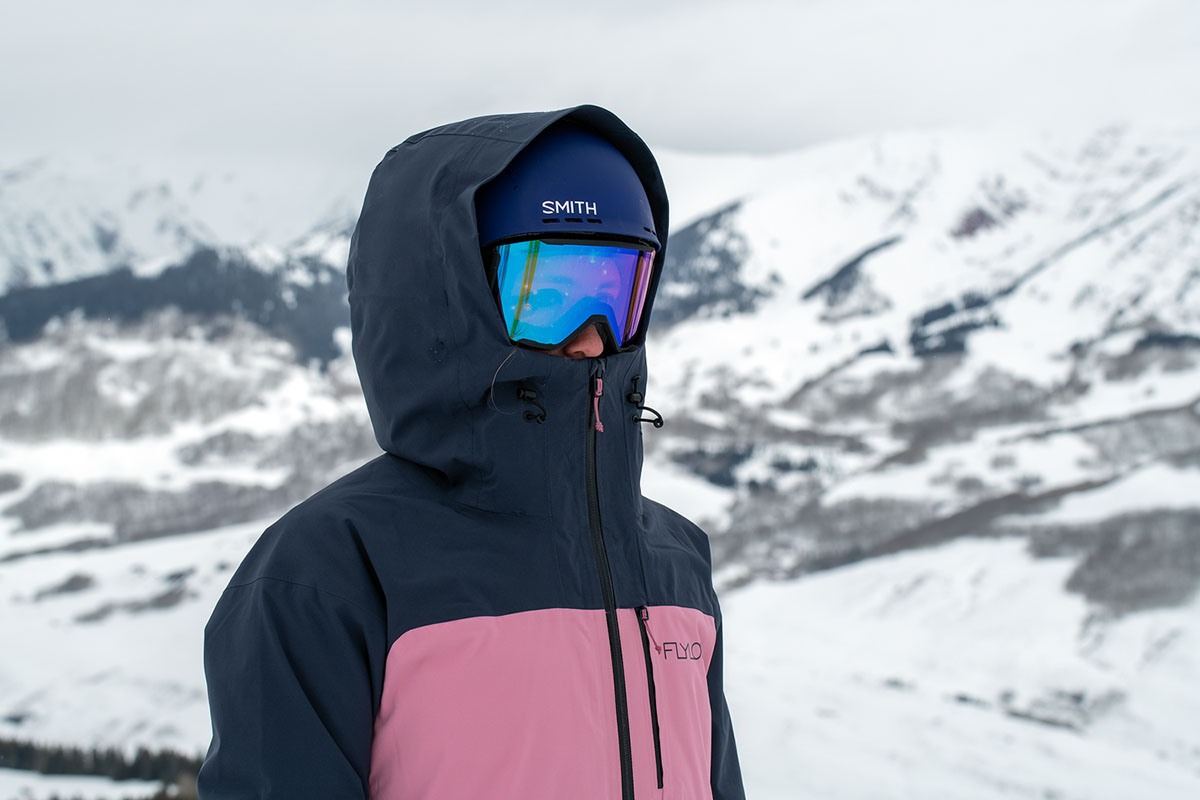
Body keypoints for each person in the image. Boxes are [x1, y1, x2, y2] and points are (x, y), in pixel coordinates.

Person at [197, 104, 745, 800]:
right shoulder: (329, 574)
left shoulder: (675, 564)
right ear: (446, 303)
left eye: (617, 291)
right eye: (549, 296)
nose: (593, 339)